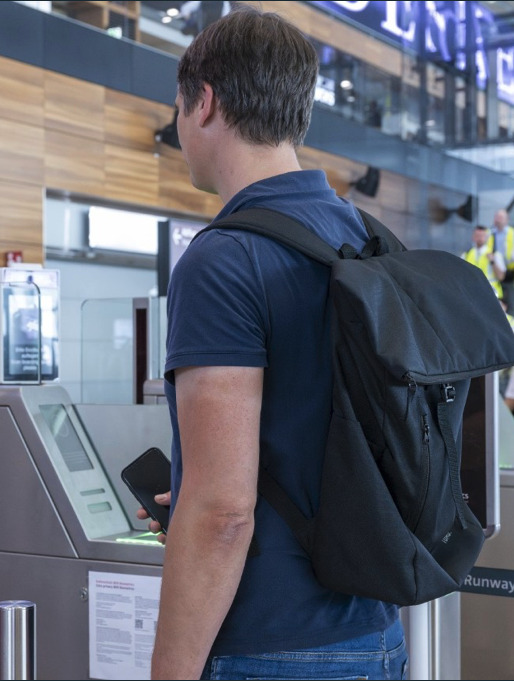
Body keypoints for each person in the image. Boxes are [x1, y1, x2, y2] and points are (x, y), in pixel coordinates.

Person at [139, 8, 406, 679]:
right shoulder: (365, 238)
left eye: (178, 104)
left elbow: (224, 512)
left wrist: (170, 669)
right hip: (374, 631)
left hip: (272, 644)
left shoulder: (223, 259)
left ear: (204, 103)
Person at [462, 224, 505, 298]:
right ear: (473, 237)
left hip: (492, 292)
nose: (479, 238)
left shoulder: (495, 254)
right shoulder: (466, 254)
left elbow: (501, 277)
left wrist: (492, 262)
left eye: (482, 235)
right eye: (477, 235)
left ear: (487, 237)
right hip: (472, 292)